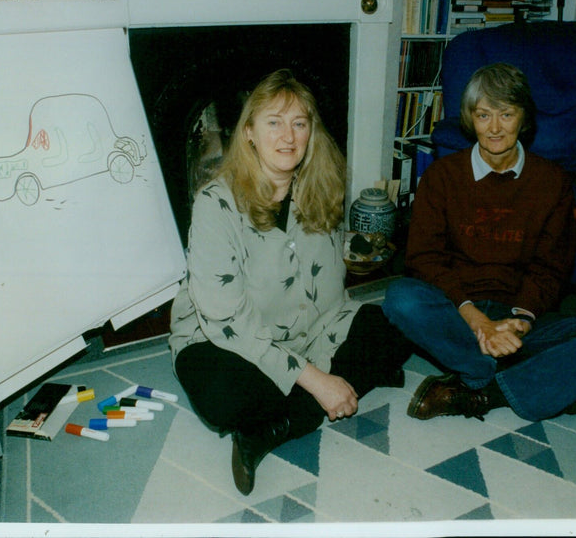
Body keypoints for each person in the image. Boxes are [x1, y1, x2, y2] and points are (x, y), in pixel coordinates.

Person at [169, 69, 412, 495]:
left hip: (309, 331)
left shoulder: (322, 187)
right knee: (221, 394)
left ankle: (271, 429)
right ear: (248, 133)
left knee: (396, 327)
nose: (288, 137)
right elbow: (226, 321)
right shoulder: (214, 203)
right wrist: (318, 379)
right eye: (274, 122)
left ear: (311, 132)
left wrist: (319, 359)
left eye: (299, 123)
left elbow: (333, 292)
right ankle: (331, 390)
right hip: (229, 340)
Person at [381, 62, 576, 423]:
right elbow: (423, 260)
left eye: (506, 114)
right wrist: (476, 320)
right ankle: (526, 376)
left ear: (523, 118)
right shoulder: (441, 177)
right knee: (401, 297)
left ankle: (486, 391)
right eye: (483, 115)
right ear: (469, 118)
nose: (494, 128)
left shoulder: (552, 182)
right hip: (459, 313)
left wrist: (522, 319)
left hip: (524, 319)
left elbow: (552, 267)